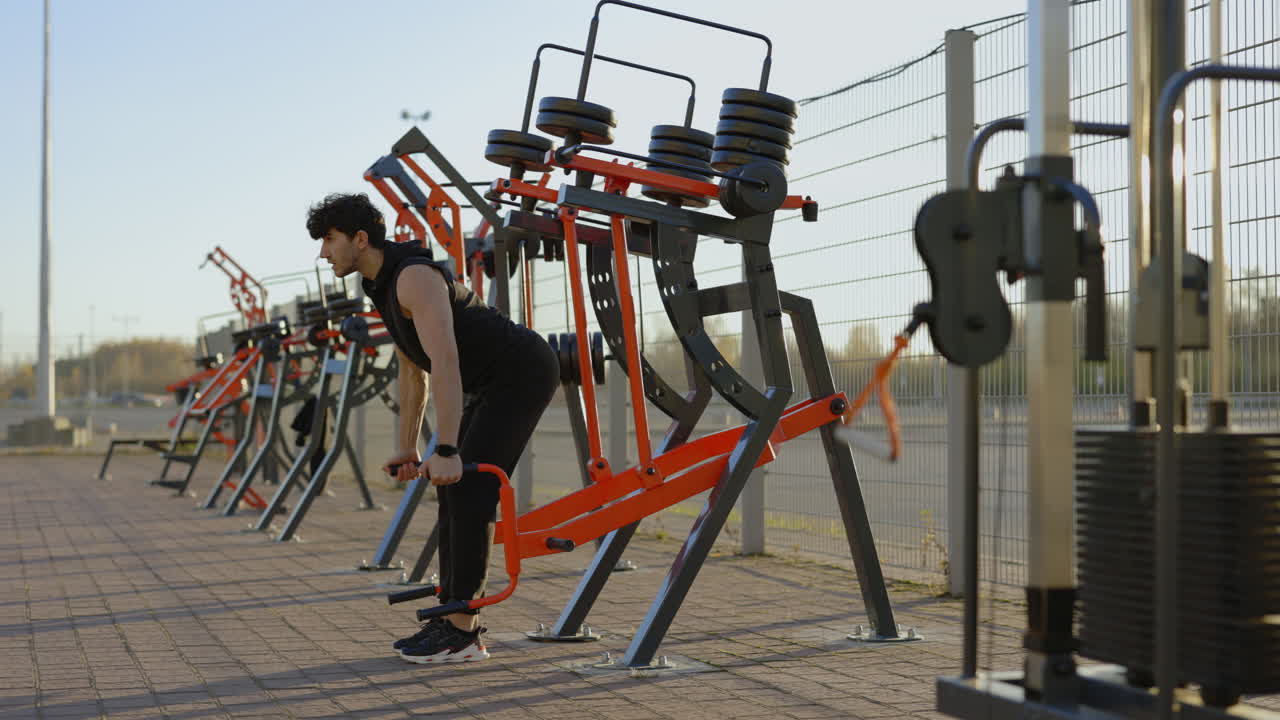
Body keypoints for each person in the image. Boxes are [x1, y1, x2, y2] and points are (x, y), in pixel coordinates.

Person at [307, 193, 558, 664]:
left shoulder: (414, 278)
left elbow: (444, 360)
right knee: (451, 491)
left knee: (470, 488)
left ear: (360, 240)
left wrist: (445, 446)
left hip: (521, 372)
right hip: (488, 382)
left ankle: (463, 630)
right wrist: (408, 448)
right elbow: (411, 369)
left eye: (329, 240)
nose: (323, 253)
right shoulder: (379, 284)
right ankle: (453, 616)